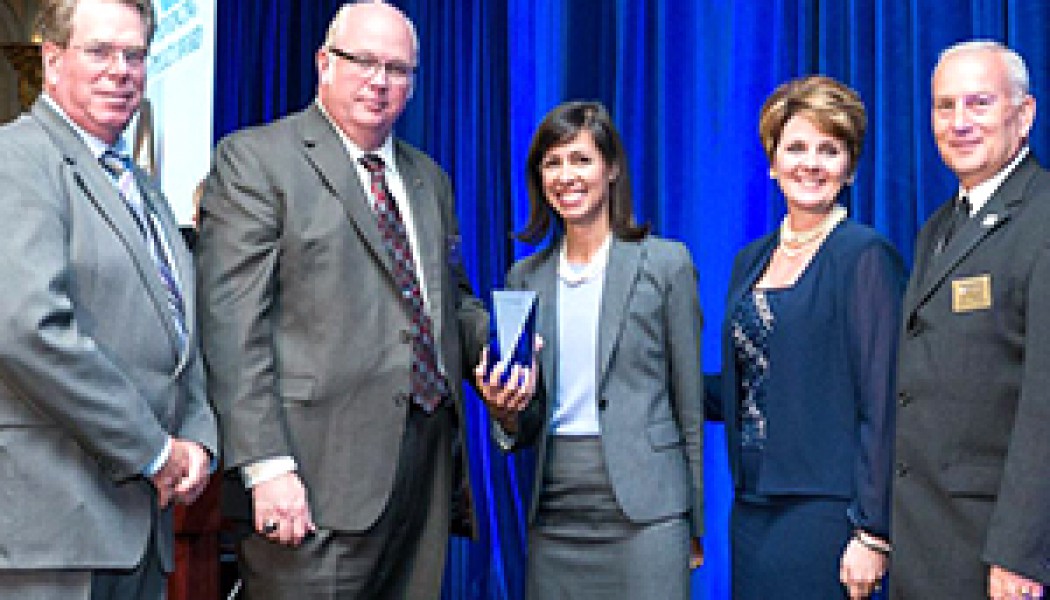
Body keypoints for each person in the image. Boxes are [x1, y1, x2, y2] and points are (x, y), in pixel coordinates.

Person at [196, 2, 522, 598]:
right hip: (309, 482)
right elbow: (232, 328)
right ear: (324, 62)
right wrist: (266, 467)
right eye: (363, 61)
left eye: (397, 69)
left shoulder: (429, 180)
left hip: (423, 480)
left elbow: (449, 304)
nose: (380, 81)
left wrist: (499, 356)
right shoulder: (257, 161)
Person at [0, 0, 219, 598]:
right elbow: (28, 329)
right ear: (52, 61)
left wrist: (198, 438)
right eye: (99, 51)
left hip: (141, 528)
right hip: (54, 530)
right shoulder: (16, 159)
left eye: (135, 55)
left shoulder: (142, 187)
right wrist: (153, 450)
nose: (120, 69)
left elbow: (180, 330)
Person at [476, 100, 704, 599]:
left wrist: (695, 521)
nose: (566, 176)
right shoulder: (524, 278)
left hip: (649, 511)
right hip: (555, 508)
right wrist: (504, 412)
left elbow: (688, 401)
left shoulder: (666, 264)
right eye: (552, 162)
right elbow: (525, 415)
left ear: (612, 167)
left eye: (581, 159)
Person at [709, 75, 905, 599]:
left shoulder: (864, 256)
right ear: (773, 163)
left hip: (829, 516)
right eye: (795, 147)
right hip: (752, 510)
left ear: (850, 167)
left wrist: (872, 532)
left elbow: (883, 402)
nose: (810, 163)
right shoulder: (749, 260)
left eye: (829, 149)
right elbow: (751, 380)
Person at [891, 40, 1050, 600]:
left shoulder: (1044, 218)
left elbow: (1045, 404)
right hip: (925, 540)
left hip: (996, 554)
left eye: (978, 103)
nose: (958, 123)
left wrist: (1021, 553)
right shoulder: (935, 229)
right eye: (944, 106)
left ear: (1024, 114)